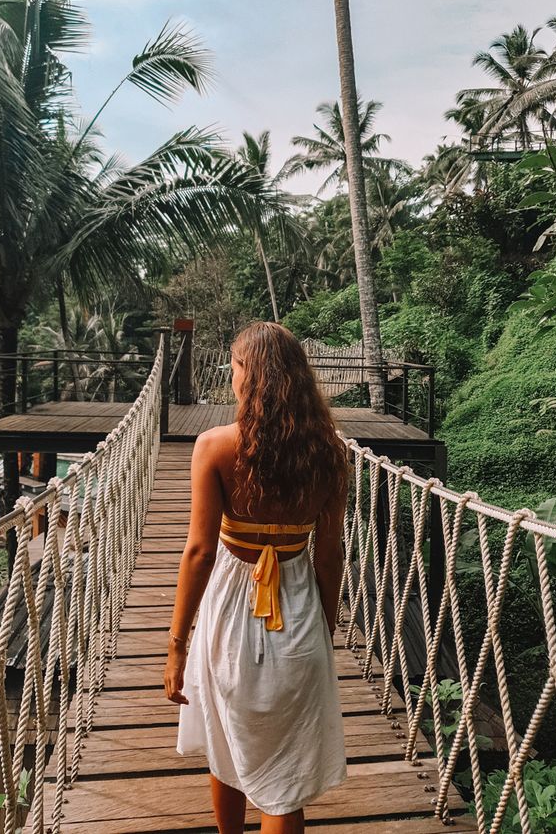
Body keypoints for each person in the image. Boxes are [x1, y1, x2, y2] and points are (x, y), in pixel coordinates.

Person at [164, 321, 349, 834]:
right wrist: (323, 629)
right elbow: (328, 557)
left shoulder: (214, 446)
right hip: (298, 610)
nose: (231, 373)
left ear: (252, 375)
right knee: (282, 782)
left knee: (226, 742)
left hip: (229, 606)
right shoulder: (331, 453)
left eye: (235, 364)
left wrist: (177, 644)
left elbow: (200, 552)